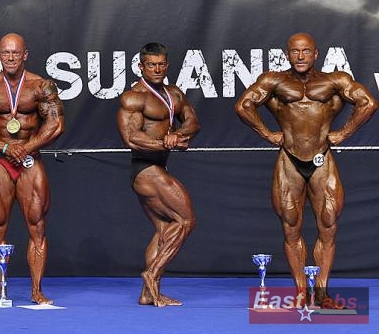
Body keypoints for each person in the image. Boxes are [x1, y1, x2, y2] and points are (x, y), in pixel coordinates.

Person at [235, 32, 377, 306]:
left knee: (328, 224)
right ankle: (301, 292)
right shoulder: (274, 81)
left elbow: (368, 103)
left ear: (315, 54)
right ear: (287, 54)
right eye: (295, 51)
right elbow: (243, 106)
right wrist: (267, 134)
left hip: (322, 159)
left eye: (306, 51)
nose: (300, 56)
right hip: (289, 160)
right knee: (290, 226)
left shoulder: (335, 81)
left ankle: (322, 294)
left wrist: (344, 133)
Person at [0, 33, 64, 305]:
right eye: (6, 53)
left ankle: (36, 290)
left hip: (30, 160)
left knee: (37, 225)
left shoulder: (42, 85)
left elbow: (56, 124)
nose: (10, 58)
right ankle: (1, 290)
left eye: (16, 53)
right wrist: (6, 147)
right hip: (0, 160)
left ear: (25, 55)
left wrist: (27, 147)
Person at [116, 42, 200, 307]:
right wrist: (165, 143)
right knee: (186, 220)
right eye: (151, 65)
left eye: (161, 64)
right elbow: (131, 138)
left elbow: (193, 122)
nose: (157, 69)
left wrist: (179, 134)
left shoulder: (174, 93)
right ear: (141, 66)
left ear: (167, 65)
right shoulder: (134, 97)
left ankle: (147, 294)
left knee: (165, 229)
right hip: (145, 170)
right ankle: (152, 274)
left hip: (159, 168)